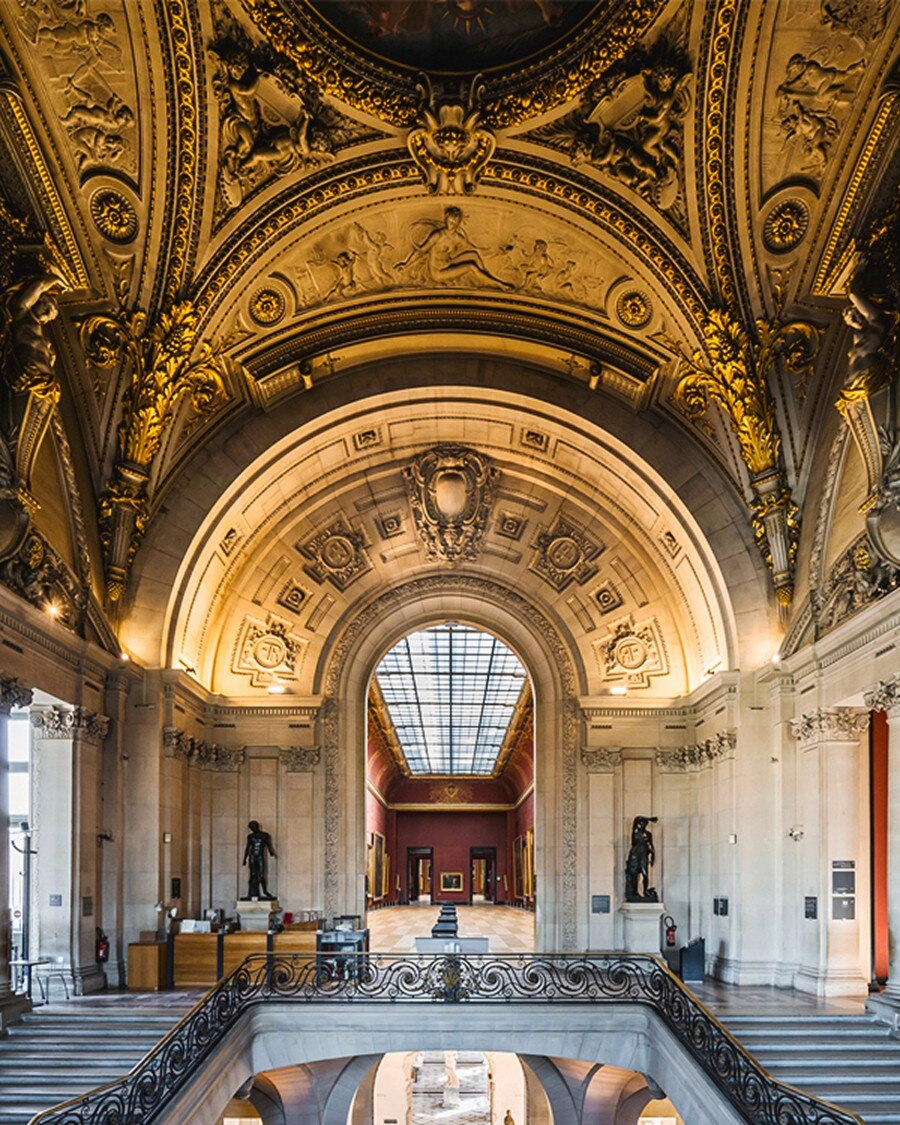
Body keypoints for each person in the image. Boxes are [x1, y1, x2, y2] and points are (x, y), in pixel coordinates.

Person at [624, 815, 658, 901]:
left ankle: (645, 891)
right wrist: (650, 819)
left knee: (644, 874)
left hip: (643, 855)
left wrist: (653, 856)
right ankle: (635, 892)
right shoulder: (635, 831)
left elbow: (651, 846)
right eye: (642, 823)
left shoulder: (648, 834)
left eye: (645, 823)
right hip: (635, 855)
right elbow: (636, 819)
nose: (643, 825)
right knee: (634, 875)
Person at [242, 820, 276, 899]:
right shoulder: (250, 836)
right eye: (251, 828)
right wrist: (244, 859)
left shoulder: (265, 835)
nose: (252, 829)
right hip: (252, 857)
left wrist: (271, 852)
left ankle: (265, 891)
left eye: (252, 827)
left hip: (260, 856)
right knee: (253, 875)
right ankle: (252, 893)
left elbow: (268, 845)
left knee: (261, 875)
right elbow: (247, 848)